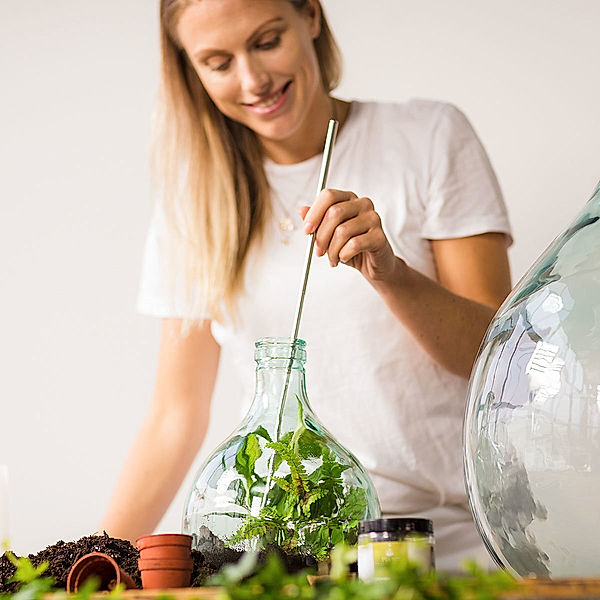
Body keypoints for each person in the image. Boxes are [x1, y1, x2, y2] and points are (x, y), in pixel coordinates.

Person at [100, 0, 512, 571]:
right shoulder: (194, 198)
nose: (253, 80)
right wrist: (86, 562)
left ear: (311, 17)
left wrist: (390, 275)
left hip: (441, 546)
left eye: (267, 41)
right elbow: (176, 415)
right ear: (191, 70)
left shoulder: (427, 136)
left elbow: (495, 358)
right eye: (218, 62)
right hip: (283, 557)